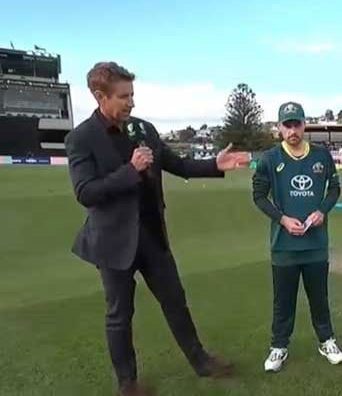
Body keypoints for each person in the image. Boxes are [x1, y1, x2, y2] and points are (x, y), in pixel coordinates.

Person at [65, 62, 244, 396]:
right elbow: (85, 192)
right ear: (100, 96)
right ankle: (128, 384)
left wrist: (214, 165)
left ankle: (202, 362)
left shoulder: (144, 129)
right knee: (120, 314)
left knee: (175, 300)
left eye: (132, 94)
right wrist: (131, 170)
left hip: (151, 237)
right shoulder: (81, 138)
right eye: (124, 96)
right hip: (112, 241)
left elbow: (177, 164)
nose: (131, 102)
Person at [252, 101, 342, 373]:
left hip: (316, 245)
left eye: (297, 124)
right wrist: (281, 218)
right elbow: (258, 195)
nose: (293, 130)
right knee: (283, 302)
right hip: (284, 246)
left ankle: (327, 340)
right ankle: (279, 346)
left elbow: (334, 188)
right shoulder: (270, 159)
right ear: (279, 128)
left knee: (319, 299)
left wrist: (322, 211)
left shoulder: (321, 156)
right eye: (287, 125)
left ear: (304, 125)